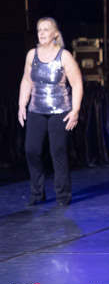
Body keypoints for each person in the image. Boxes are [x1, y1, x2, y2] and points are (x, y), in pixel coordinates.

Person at [18, 17, 83, 206]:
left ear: (55, 33)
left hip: (60, 110)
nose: (42, 33)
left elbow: (77, 83)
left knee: (58, 151)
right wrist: (22, 105)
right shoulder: (32, 55)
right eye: (39, 30)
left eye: (46, 29)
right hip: (36, 109)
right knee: (31, 150)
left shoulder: (64, 56)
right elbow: (26, 80)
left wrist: (75, 110)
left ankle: (63, 195)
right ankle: (37, 193)